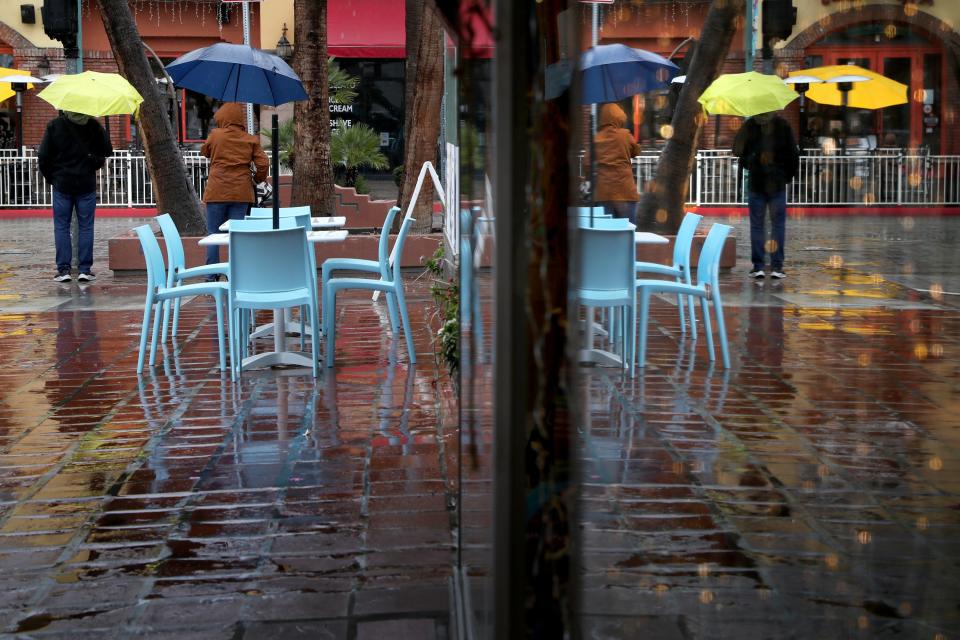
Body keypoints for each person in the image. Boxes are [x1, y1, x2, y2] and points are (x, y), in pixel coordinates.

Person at [38, 110, 113, 282]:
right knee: (86, 226)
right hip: (86, 183)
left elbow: (43, 156)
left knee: (61, 226)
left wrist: (52, 177)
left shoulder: (55, 126)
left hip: (62, 183)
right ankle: (84, 270)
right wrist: (94, 162)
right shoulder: (93, 126)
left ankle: (63, 270)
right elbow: (107, 151)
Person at [200, 102, 269, 273]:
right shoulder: (250, 139)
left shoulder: (215, 135)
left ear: (223, 118)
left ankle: (212, 276)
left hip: (216, 191)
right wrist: (257, 179)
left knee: (213, 234)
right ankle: (237, 275)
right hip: (241, 192)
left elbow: (205, 152)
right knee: (237, 235)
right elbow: (263, 163)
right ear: (240, 119)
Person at [733, 111, 799, 280]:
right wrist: (787, 176)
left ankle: (758, 266)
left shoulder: (750, 126)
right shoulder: (783, 126)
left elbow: (737, 150)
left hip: (756, 182)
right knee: (778, 225)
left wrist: (751, 162)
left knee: (757, 226)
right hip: (777, 183)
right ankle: (777, 266)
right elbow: (793, 155)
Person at [594, 103, 641, 224]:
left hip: (604, 193)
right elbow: (636, 151)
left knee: (606, 233)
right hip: (625, 192)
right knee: (628, 232)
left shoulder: (596, 138)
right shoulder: (625, 135)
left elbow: (586, 163)